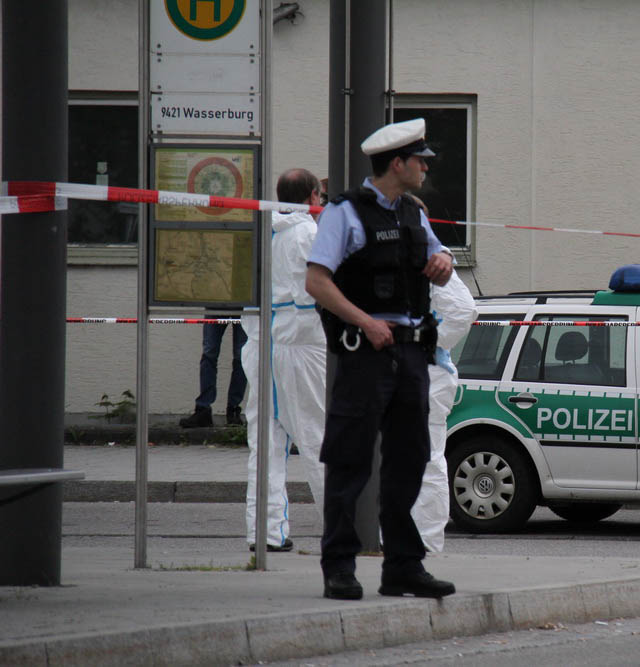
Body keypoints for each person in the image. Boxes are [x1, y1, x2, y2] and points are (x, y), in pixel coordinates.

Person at [305, 117, 455, 601]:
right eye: (420, 161)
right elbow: (317, 282)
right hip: (365, 351)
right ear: (397, 164)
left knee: (409, 461)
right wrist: (365, 321)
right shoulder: (344, 213)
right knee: (349, 461)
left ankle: (403, 567)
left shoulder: (413, 211)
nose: (426, 168)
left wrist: (445, 262)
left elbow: (439, 260)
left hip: (410, 351)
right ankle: (339, 566)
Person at [242, 168, 328, 553]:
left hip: (261, 341)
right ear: (312, 196)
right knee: (318, 437)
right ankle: (345, 529)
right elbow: (318, 293)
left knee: (265, 444)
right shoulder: (309, 234)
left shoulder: (262, 232)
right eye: (320, 196)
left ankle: (264, 531)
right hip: (301, 343)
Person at [407, 198, 478, 553]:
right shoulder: (406, 253)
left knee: (428, 457)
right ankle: (404, 537)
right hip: (410, 369)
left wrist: (427, 344)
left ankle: (428, 540)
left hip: (428, 372)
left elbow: (465, 310)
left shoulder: (431, 257)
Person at [179, 319, 247, 428]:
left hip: (242, 310)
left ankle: (232, 410)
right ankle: (205, 411)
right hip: (222, 308)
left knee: (241, 357)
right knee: (209, 354)